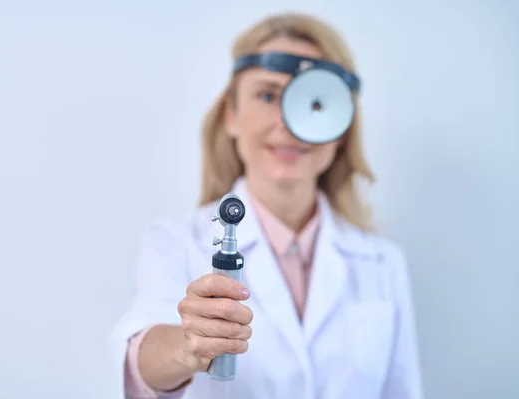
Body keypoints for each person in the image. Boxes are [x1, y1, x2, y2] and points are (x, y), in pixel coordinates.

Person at [109, 12, 423, 399]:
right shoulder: (175, 240)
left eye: (316, 102)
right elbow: (142, 361)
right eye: (268, 95)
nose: (290, 124)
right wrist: (188, 346)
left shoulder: (382, 263)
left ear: (343, 128)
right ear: (232, 115)